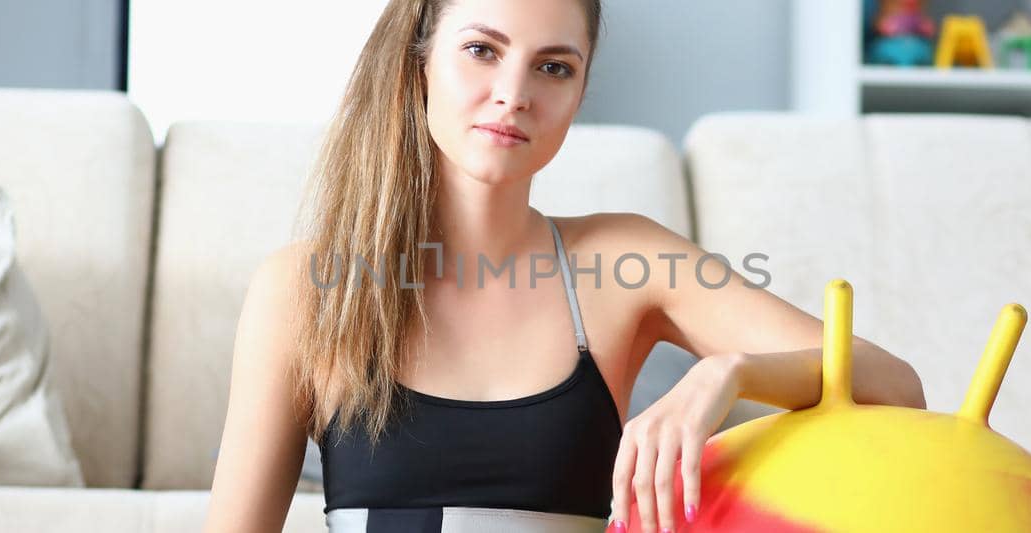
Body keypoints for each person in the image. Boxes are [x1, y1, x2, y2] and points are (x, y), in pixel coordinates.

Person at [200, 1, 927, 532]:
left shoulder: (628, 261)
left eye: (553, 67)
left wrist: (729, 371)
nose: (515, 94)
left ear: (578, 94)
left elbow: (895, 386)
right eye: (482, 50)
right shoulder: (306, 289)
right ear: (418, 62)